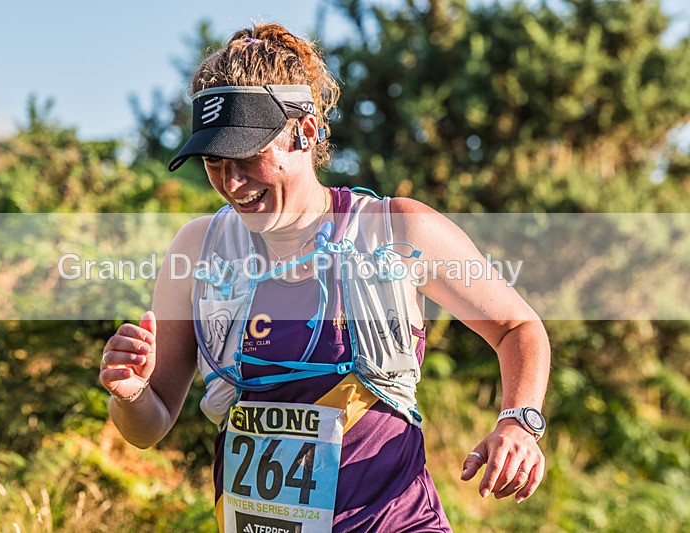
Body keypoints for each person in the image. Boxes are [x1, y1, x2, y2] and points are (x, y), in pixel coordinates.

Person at [99, 22, 550, 532]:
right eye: (213, 161)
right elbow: (148, 427)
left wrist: (518, 422)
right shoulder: (198, 249)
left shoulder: (396, 229)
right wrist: (130, 392)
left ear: (306, 132)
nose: (231, 181)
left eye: (247, 154)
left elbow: (518, 328)